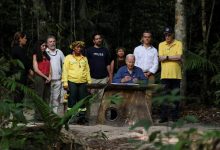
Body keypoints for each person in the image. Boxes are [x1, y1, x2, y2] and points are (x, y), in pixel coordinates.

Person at [84, 33, 111, 124]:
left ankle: (101, 118)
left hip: (103, 78)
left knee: (102, 99)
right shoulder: (88, 50)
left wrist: (110, 76)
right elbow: (85, 65)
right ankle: (87, 117)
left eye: (100, 38)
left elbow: (108, 64)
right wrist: (86, 78)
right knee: (89, 99)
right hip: (91, 78)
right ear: (93, 41)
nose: (98, 40)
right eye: (96, 39)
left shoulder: (105, 50)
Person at [158, 27, 183, 123]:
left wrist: (167, 57)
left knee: (175, 97)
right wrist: (172, 57)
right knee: (164, 96)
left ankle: (175, 117)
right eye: (165, 35)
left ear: (172, 35)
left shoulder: (178, 43)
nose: (167, 37)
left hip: (176, 75)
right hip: (165, 75)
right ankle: (163, 117)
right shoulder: (161, 44)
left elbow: (179, 56)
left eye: (168, 35)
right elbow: (160, 58)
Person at [62, 41, 91, 111]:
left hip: (83, 82)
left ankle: (81, 118)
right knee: (72, 99)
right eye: (77, 47)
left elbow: (87, 71)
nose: (79, 49)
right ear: (73, 48)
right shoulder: (68, 57)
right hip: (72, 82)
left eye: (80, 47)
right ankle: (69, 118)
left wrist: (89, 82)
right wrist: (65, 82)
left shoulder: (84, 58)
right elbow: (65, 70)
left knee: (82, 100)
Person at [11, 31, 33, 103]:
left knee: (20, 95)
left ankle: (18, 111)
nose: (26, 40)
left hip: (21, 75)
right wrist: (30, 70)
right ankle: (17, 112)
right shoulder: (17, 49)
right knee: (19, 95)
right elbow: (24, 62)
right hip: (19, 76)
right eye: (25, 38)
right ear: (20, 39)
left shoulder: (20, 48)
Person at [46, 35, 65, 114]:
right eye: (50, 42)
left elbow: (65, 64)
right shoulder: (45, 52)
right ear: (47, 44)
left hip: (58, 79)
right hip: (47, 79)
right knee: (48, 98)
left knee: (56, 99)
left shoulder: (59, 52)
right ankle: (47, 115)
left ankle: (55, 115)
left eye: (53, 41)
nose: (52, 43)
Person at [32, 40, 51, 120]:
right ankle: (38, 116)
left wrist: (49, 76)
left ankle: (45, 115)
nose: (44, 47)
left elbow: (50, 67)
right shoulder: (35, 55)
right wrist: (45, 77)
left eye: (45, 46)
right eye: (42, 46)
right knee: (39, 96)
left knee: (46, 97)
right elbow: (36, 69)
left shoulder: (46, 56)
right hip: (39, 78)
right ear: (39, 46)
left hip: (47, 78)